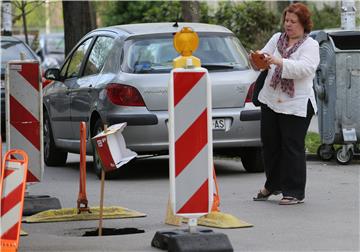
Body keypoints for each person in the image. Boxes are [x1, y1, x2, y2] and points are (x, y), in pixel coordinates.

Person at [249, 3, 320, 205]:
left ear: (303, 24)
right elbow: (263, 58)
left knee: (292, 147)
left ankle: (295, 192)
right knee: (270, 145)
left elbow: (305, 69)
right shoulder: (276, 39)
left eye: (293, 22)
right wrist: (257, 59)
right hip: (271, 99)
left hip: (296, 103)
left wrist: (279, 62)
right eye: (286, 20)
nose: (288, 25)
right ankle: (272, 185)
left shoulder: (310, 45)